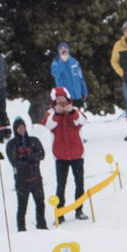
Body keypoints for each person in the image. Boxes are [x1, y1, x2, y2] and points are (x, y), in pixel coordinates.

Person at [46, 87, 88, 220]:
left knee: (79, 184)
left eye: (63, 100)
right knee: (61, 185)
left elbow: (83, 121)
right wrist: (57, 115)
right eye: (59, 100)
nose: (62, 103)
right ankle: (60, 213)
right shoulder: (50, 113)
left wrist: (71, 113)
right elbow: (47, 125)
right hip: (60, 156)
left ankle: (79, 210)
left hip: (77, 154)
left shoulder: (75, 110)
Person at [7, 116, 48, 231]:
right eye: (18, 128)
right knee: (22, 208)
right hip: (22, 182)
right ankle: (21, 229)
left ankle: (42, 226)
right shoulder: (12, 144)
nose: (21, 129)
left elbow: (41, 154)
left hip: (36, 179)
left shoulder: (34, 140)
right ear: (15, 129)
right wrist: (30, 160)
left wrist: (28, 157)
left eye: (22, 127)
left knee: (40, 204)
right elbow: (14, 162)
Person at [50, 41, 88, 106]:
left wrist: (84, 91)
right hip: (65, 98)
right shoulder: (56, 62)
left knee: (77, 115)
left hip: (77, 96)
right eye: (61, 49)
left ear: (68, 50)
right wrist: (62, 61)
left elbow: (80, 77)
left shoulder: (74, 61)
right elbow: (55, 74)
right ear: (58, 51)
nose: (64, 50)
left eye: (65, 48)